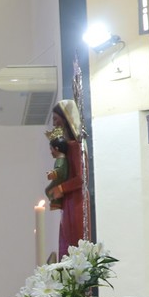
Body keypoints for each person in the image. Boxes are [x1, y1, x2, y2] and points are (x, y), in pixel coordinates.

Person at [46, 99, 86, 257]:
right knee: (66, 239)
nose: (55, 124)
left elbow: (81, 178)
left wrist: (61, 188)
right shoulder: (68, 147)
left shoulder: (75, 147)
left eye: (57, 120)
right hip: (69, 200)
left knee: (74, 240)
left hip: (76, 201)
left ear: (67, 119)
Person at [45, 134, 69, 211]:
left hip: (61, 180)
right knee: (48, 189)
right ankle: (56, 201)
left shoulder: (61, 159)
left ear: (56, 148)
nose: (50, 152)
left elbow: (61, 170)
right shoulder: (59, 159)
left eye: (51, 149)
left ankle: (57, 201)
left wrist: (53, 173)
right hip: (59, 180)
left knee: (49, 190)